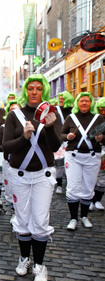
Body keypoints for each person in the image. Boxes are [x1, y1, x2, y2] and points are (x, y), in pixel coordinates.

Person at [3, 74, 61, 281]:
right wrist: (24, 137)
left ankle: (39, 265)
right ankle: (23, 258)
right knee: (22, 219)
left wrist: (48, 126)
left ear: (43, 90)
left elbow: (55, 147)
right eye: (31, 88)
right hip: (19, 175)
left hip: (43, 176)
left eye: (38, 88)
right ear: (26, 90)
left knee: (40, 220)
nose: (34, 91)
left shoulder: (51, 112)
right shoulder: (14, 115)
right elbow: (6, 146)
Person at [61, 92, 105, 230]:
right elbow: (61, 135)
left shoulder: (98, 119)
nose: (84, 103)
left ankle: (84, 216)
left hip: (92, 157)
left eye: (87, 101)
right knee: (73, 187)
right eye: (82, 101)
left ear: (91, 103)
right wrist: (67, 136)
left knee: (88, 187)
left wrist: (101, 139)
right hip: (73, 156)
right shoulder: (71, 118)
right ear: (77, 103)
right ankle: (73, 218)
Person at [0, 100, 21, 224]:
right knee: (10, 189)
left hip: (21, 165)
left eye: (17, 109)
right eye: (12, 109)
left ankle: (20, 213)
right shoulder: (3, 127)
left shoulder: (26, 125)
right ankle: (14, 211)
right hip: (8, 163)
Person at [54, 91, 75, 194]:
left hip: (71, 139)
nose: (61, 100)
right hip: (59, 139)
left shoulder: (73, 110)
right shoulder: (56, 109)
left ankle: (69, 183)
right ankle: (59, 184)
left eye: (63, 98)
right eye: (60, 98)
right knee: (59, 163)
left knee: (70, 164)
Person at [90, 97, 105, 211]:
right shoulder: (97, 120)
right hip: (97, 151)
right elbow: (90, 135)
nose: (103, 112)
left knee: (103, 179)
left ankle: (97, 200)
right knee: (93, 176)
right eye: (101, 110)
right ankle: (89, 199)